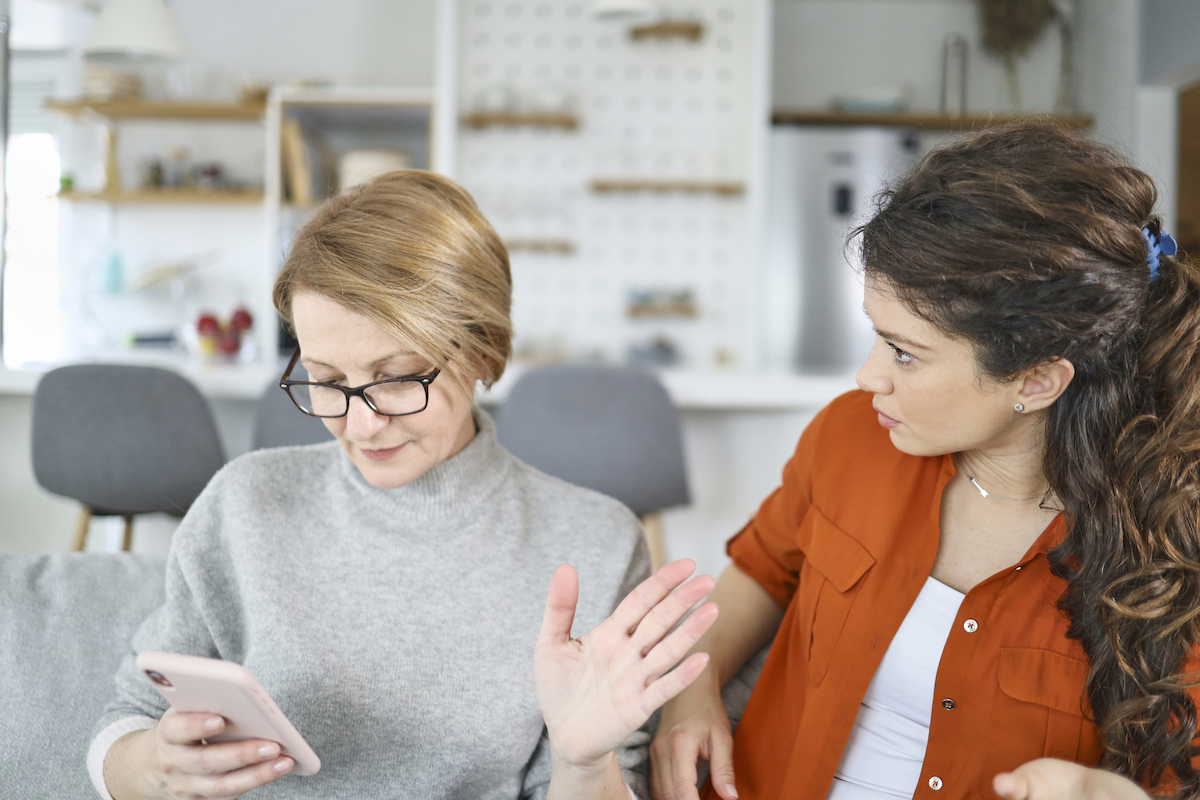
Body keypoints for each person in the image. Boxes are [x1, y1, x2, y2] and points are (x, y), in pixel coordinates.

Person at [89, 170, 718, 800]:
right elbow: (128, 720)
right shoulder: (245, 504)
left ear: (482, 351)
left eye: (396, 377)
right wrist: (153, 768)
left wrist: (583, 766)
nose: (361, 423)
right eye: (326, 380)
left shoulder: (595, 544)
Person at [649, 122, 1200, 800]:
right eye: (877, 337)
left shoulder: (1168, 546)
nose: (866, 377)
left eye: (905, 353)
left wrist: (1104, 793)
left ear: (1036, 381)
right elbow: (759, 574)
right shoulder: (850, 437)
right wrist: (692, 691)